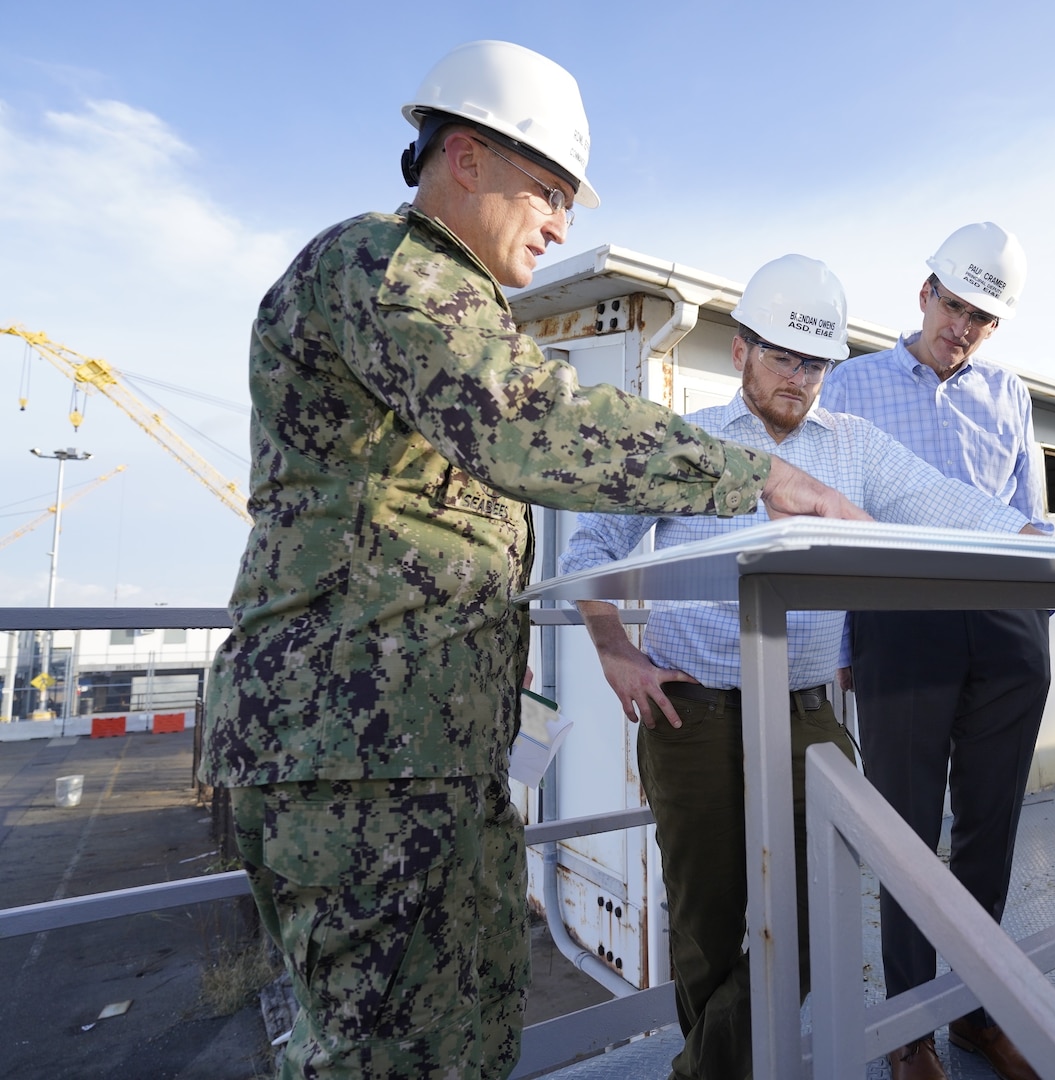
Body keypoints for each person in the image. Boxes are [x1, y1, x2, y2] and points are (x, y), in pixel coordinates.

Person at [201, 44, 864, 1080]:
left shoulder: (456, 300)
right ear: (464, 157)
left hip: (430, 743)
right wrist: (749, 478)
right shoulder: (387, 268)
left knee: (465, 1033)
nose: (562, 223)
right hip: (352, 751)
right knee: (382, 1053)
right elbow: (523, 422)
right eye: (551, 191)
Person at [558, 255, 1040, 1080]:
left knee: (819, 917)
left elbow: (942, 503)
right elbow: (592, 546)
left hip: (805, 711)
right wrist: (614, 651)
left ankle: (703, 1072)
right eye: (783, 356)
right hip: (693, 712)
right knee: (708, 923)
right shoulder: (693, 445)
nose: (800, 378)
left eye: (815, 363)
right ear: (741, 350)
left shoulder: (855, 448)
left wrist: (1044, 550)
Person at [818, 223, 1050, 1080]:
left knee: (991, 829)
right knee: (906, 829)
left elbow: (1030, 510)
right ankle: (910, 1026)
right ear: (925, 293)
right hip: (901, 617)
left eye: (983, 318)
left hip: (1004, 620)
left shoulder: (1008, 393)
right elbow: (833, 514)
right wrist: (846, 634)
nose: (963, 328)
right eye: (954, 305)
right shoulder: (850, 384)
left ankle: (975, 1012)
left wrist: (1040, 620)